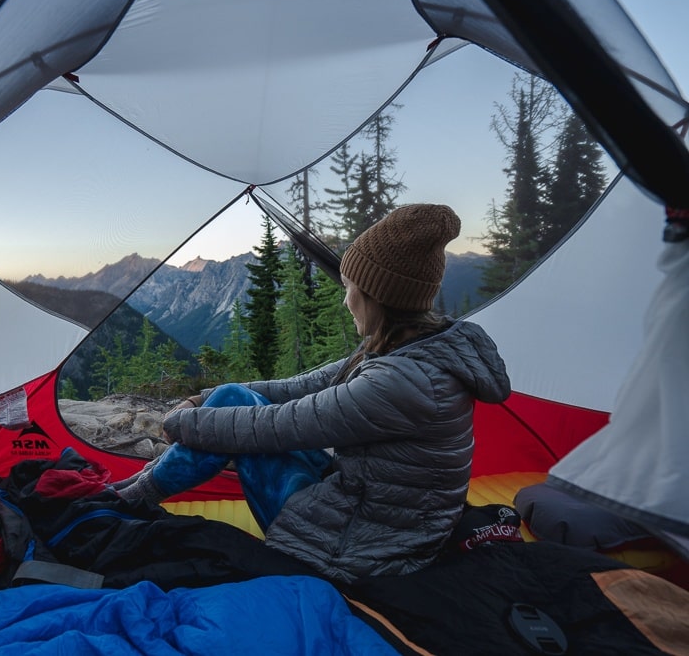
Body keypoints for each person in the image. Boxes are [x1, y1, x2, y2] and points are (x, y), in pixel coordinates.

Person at [114, 203, 511, 586]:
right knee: (231, 397)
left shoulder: (404, 382)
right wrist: (203, 398)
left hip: (360, 551)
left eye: (350, 287)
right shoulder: (406, 348)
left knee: (239, 423)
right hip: (368, 512)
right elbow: (299, 387)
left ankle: (130, 501)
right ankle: (136, 493)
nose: (345, 299)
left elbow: (276, 426)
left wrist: (179, 421)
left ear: (378, 295)